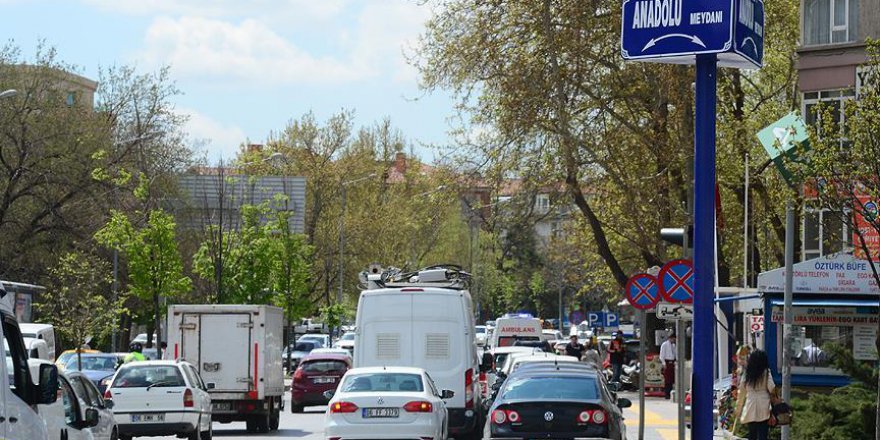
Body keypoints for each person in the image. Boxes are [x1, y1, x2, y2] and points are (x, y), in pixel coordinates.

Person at [736, 350, 775, 440]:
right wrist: (777, 400)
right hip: (764, 405)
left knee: (752, 433)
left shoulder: (747, 373)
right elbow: (772, 388)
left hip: (750, 404)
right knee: (763, 433)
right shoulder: (766, 372)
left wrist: (738, 409)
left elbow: (741, 392)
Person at [659, 332, 676, 399]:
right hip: (667, 362)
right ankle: (667, 394)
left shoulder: (674, 345)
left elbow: (675, 354)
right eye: (673, 339)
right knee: (667, 380)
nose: (674, 340)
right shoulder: (664, 345)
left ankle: (671, 392)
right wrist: (664, 363)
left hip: (672, 362)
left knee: (672, 379)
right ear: (670, 338)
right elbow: (661, 355)